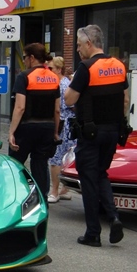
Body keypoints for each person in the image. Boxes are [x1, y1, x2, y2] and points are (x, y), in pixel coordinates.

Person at [64, 24, 129, 247]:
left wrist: (74, 83)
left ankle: (93, 233)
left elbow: (69, 99)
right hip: (113, 130)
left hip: (90, 132)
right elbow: (125, 100)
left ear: (89, 43)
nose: (78, 50)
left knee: (89, 180)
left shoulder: (86, 68)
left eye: (79, 45)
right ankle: (113, 216)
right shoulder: (119, 66)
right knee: (101, 173)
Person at [7, 43, 60, 197]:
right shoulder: (53, 77)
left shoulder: (24, 77)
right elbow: (57, 109)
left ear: (31, 58)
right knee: (40, 164)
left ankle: (16, 195)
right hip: (47, 128)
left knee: (15, 164)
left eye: (24, 57)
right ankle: (42, 198)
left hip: (26, 127)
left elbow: (20, 107)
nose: (24, 61)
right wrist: (55, 132)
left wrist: (11, 132)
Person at [48, 56, 76, 203]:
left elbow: (65, 107)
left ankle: (54, 191)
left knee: (55, 158)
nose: (48, 71)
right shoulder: (66, 83)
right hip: (68, 125)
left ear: (59, 69)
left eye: (51, 68)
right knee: (65, 157)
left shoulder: (62, 85)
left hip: (63, 125)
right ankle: (64, 189)